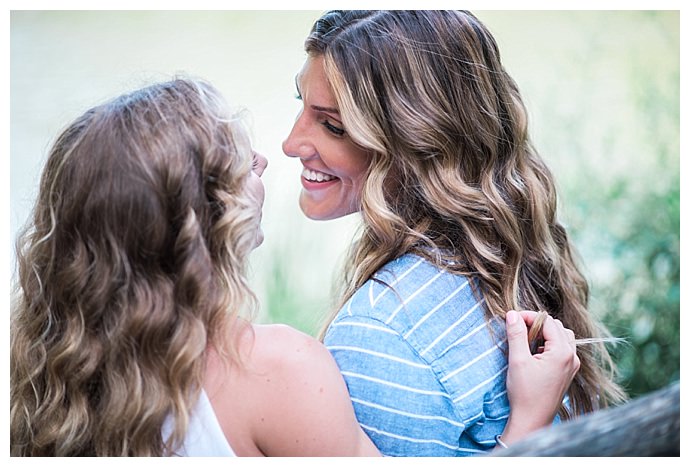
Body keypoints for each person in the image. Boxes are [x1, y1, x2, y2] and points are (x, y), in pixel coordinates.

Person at [282, 10, 627, 456]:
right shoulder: (507, 253)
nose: (291, 143)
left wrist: (522, 431)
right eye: (300, 105)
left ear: (418, 143)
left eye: (333, 125)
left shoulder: (379, 335)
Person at [10, 78, 379, 456]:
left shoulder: (51, 385)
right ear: (205, 217)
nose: (266, 161)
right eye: (246, 165)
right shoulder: (281, 371)